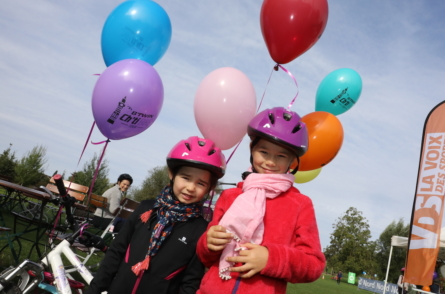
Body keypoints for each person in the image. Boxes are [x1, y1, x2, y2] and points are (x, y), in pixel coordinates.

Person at [196, 107, 326, 294]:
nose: (270, 162)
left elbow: (314, 265)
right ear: (252, 149)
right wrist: (208, 243)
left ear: (292, 161)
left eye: (281, 156)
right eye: (264, 152)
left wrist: (270, 258)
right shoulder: (230, 196)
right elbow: (206, 257)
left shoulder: (301, 204)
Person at [85, 136, 226, 294]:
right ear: (172, 174)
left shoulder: (201, 229)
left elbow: (191, 281)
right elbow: (116, 251)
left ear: (209, 188)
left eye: (201, 183)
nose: (191, 187)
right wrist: (94, 290)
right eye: (185, 178)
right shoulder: (146, 209)